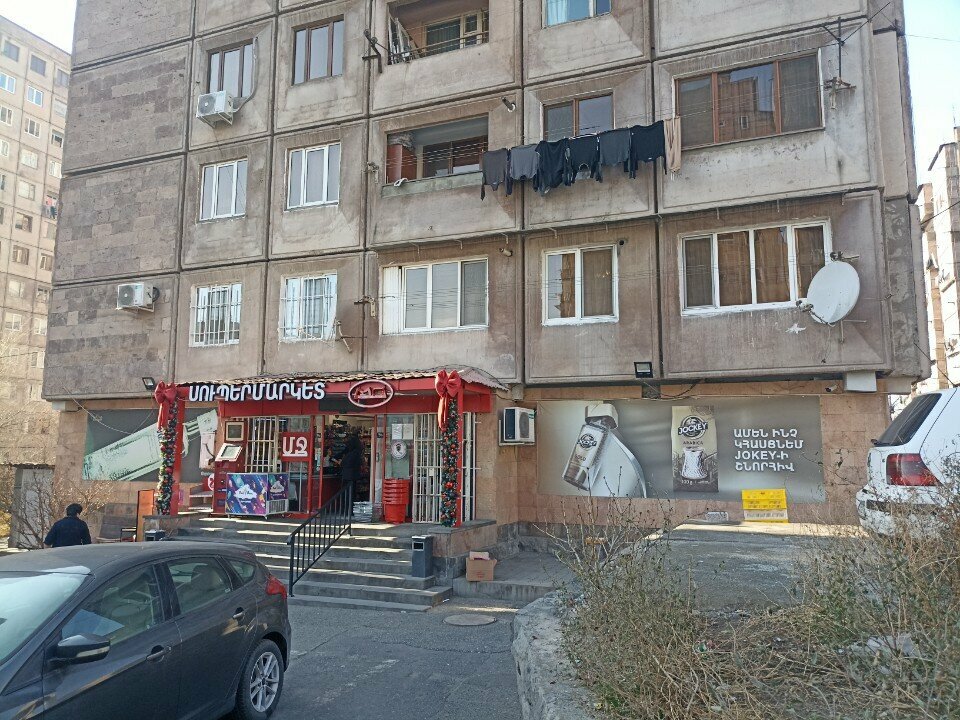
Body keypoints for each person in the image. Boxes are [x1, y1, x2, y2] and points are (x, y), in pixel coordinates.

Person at [337, 432, 363, 500]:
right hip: (353, 475)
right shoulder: (357, 453)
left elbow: (344, 463)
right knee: (351, 493)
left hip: (347, 476)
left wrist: (340, 462)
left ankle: (346, 505)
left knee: (346, 494)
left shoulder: (351, 453)